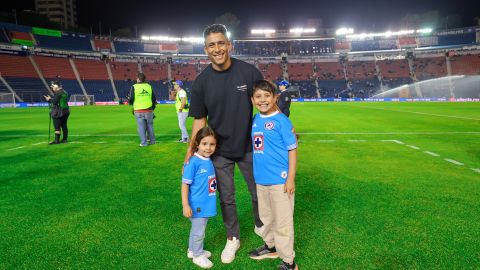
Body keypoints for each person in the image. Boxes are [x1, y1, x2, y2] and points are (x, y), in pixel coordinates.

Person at [185, 24, 264, 264]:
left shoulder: (249, 73)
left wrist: (282, 127)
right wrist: (189, 154)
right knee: (226, 198)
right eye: (211, 45)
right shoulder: (201, 83)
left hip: (250, 147)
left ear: (229, 44)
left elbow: (265, 106)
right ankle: (233, 238)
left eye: (221, 43)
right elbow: (200, 121)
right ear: (205, 50)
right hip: (218, 152)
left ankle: (263, 228)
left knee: (259, 193)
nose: (217, 49)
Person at [249, 80, 298, 270]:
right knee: (266, 218)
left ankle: (289, 262)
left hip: (280, 181)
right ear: (252, 99)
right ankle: (270, 247)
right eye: (258, 97)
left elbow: (292, 150)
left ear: (275, 97)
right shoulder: (255, 120)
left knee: (283, 222)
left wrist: (290, 178)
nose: (263, 100)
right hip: (261, 180)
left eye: (267, 96)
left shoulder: (282, 121)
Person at [182, 127, 217, 269]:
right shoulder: (193, 162)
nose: (208, 148)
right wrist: (185, 205)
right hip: (197, 204)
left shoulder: (207, 159)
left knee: (197, 228)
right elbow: (185, 184)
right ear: (197, 144)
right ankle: (197, 255)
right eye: (204, 143)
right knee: (199, 231)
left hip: (206, 202)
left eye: (212, 144)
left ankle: (192, 250)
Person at [129, 72, 156, 147]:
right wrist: (152, 108)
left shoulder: (134, 86)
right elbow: (154, 98)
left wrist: (131, 103)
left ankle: (144, 143)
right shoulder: (149, 86)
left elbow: (131, 98)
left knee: (141, 127)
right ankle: (152, 141)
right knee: (150, 126)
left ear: (138, 79)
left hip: (138, 110)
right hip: (149, 110)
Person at [43, 81, 70, 145]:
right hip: (66, 110)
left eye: (53, 86)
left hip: (59, 111)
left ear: (56, 86)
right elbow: (59, 101)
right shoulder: (65, 92)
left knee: (57, 126)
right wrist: (51, 100)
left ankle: (56, 140)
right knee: (64, 125)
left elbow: (55, 102)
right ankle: (65, 139)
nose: (52, 88)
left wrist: (49, 99)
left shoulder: (58, 93)